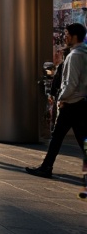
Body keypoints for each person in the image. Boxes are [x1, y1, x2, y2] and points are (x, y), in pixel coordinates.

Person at [26, 23, 87, 177]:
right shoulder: (83, 53)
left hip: (71, 103)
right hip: (79, 102)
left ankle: (46, 168)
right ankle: (46, 166)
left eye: (66, 34)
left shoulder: (74, 56)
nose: (64, 37)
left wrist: (62, 98)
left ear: (74, 36)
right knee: (64, 138)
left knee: (60, 138)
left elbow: (70, 83)